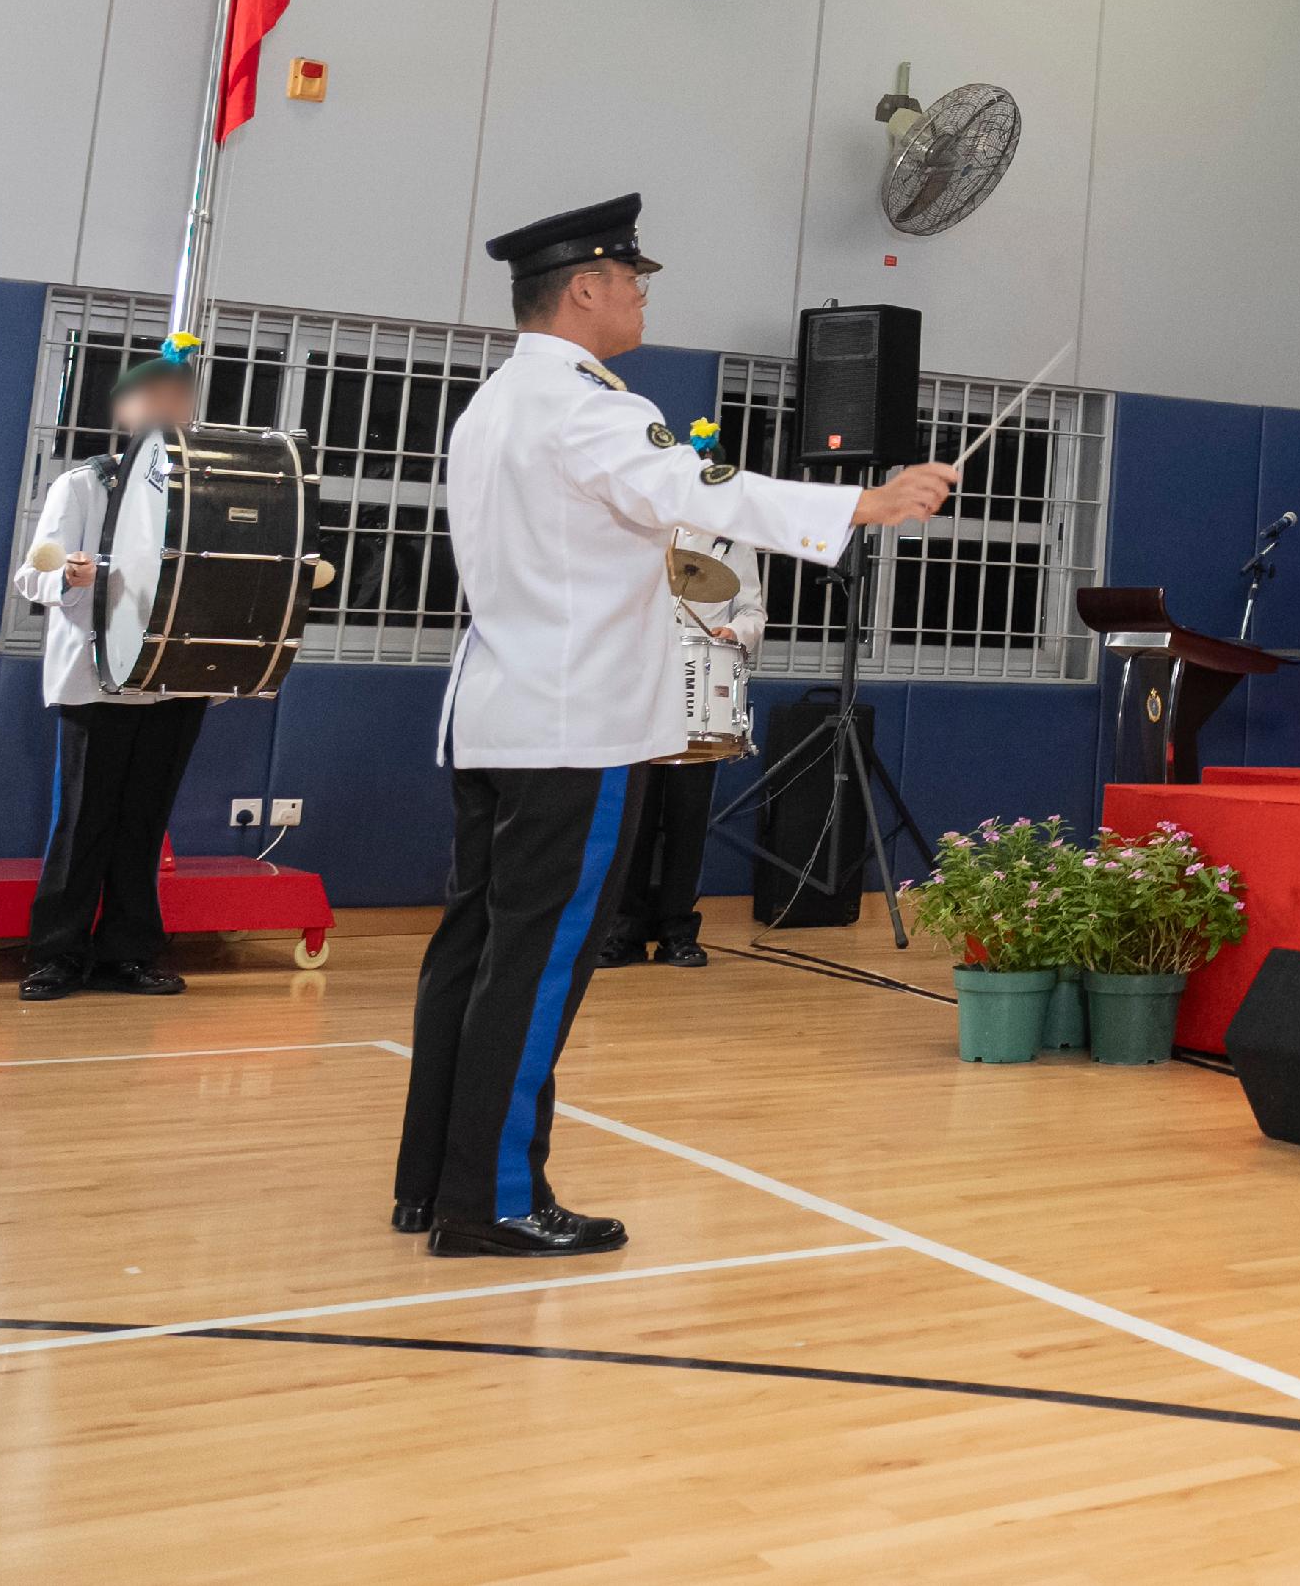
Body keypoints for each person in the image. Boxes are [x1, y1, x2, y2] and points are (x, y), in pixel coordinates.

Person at [395, 196, 952, 1258]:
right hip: (578, 727)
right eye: (631, 279)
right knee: (538, 964)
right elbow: (695, 487)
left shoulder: (492, 404)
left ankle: (432, 1177)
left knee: (470, 951)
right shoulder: (590, 408)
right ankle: (494, 1198)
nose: (643, 297)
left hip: (497, 715)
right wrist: (863, 505)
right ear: (584, 289)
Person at [13, 346, 213, 1001]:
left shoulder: (203, 489)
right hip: (95, 681)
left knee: (144, 824)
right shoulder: (81, 486)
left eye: (179, 400)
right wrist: (67, 576)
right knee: (83, 823)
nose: (169, 410)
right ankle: (56, 954)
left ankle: (128, 952)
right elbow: (31, 574)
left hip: (172, 681)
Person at [599, 500, 759, 970]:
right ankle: (623, 932)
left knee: (688, 822)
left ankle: (678, 933)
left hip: (700, 697)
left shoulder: (733, 539)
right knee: (636, 820)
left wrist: (734, 631)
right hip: (643, 692)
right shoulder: (646, 530)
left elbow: (752, 609)